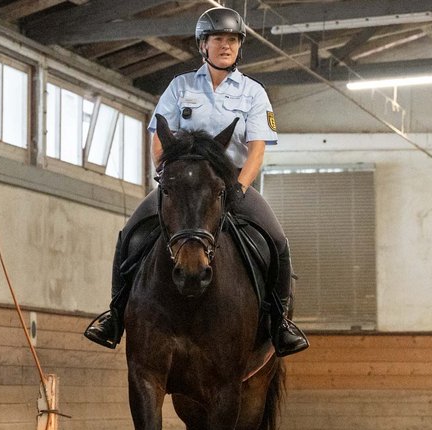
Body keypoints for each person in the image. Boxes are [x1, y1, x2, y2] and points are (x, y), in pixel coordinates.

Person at [84, 7, 308, 356]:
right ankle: (114, 316)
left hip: (231, 181)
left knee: (278, 241)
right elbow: (159, 135)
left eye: (232, 40)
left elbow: (257, 151)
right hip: (182, 182)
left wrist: (240, 187)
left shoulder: (253, 92)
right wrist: (165, 176)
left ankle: (280, 324)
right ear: (203, 45)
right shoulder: (180, 87)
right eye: (218, 39)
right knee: (129, 235)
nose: (226, 46)